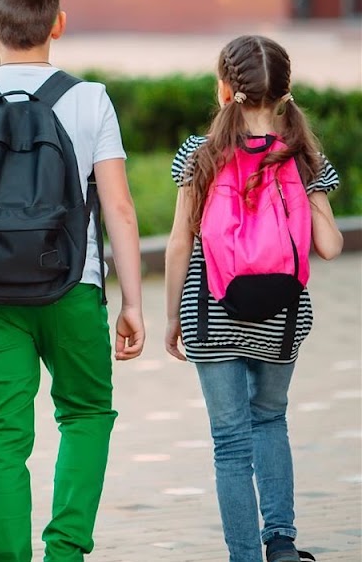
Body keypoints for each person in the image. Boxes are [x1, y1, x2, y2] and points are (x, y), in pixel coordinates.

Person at [0, 0, 146, 561]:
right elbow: (121, 209)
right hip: (72, 288)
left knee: (0, 438)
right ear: (59, 24)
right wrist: (130, 302)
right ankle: (66, 551)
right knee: (86, 414)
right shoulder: (89, 100)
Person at [163, 34, 342, 562]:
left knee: (230, 442)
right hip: (282, 318)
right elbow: (329, 246)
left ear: (224, 89)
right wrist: (310, 187)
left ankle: (244, 555)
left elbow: (180, 242)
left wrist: (172, 318)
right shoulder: (305, 155)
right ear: (286, 93)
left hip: (211, 313)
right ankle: (281, 543)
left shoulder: (200, 155)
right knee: (271, 419)